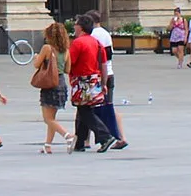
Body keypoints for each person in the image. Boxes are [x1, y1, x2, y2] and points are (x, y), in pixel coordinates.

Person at [69, 14, 117, 152]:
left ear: (81, 27)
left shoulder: (78, 43)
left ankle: (105, 136)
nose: (74, 26)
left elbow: (70, 62)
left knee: (84, 110)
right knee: (85, 109)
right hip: (95, 79)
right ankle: (80, 142)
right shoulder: (96, 42)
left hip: (81, 80)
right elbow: (103, 63)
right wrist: (103, 83)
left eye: (76, 24)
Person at [87, 11, 127, 147]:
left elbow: (97, 57)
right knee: (107, 106)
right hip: (110, 73)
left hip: (99, 76)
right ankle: (121, 137)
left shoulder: (92, 35)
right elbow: (109, 54)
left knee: (89, 108)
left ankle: (116, 137)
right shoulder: (105, 33)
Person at [34, 21, 71, 152]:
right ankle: (47, 146)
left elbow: (36, 65)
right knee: (52, 118)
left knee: (47, 119)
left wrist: (36, 57)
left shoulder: (47, 48)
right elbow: (67, 69)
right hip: (61, 82)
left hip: (49, 83)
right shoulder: (66, 50)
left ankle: (68, 136)